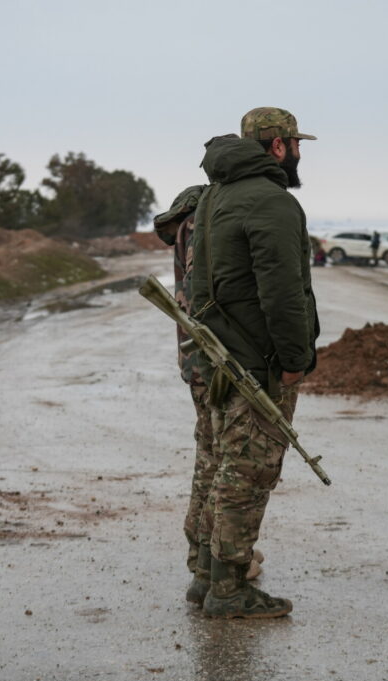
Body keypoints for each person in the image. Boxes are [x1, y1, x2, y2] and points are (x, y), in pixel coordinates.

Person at [188, 107, 320, 618]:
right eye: (296, 144)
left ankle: (205, 576)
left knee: (222, 466)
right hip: (257, 364)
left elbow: (201, 284)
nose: (300, 154)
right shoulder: (273, 202)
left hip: (221, 357)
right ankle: (229, 589)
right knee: (248, 475)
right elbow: (284, 294)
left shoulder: (214, 195)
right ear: (280, 146)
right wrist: (293, 360)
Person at [151, 186, 265, 608]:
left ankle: (203, 559)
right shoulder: (204, 221)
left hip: (195, 362)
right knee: (223, 465)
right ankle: (212, 561)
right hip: (211, 363)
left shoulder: (189, 220)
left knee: (210, 459)